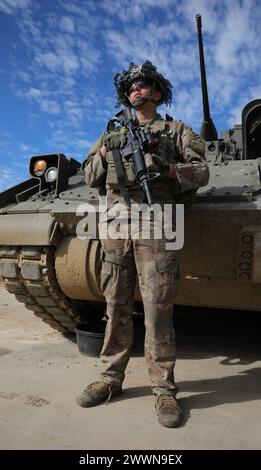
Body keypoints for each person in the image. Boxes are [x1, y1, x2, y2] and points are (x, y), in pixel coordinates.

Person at [77, 61, 209, 428]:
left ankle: (163, 388)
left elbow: (202, 171)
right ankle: (109, 377)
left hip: (158, 222)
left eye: (144, 83)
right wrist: (106, 154)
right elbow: (88, 176)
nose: (137, 88)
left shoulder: (176, 130)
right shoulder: (111, 133)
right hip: (116, 224)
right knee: (116, 302)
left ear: (158, 91)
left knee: (157, 308)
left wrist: (166, 169)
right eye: (132, 85)